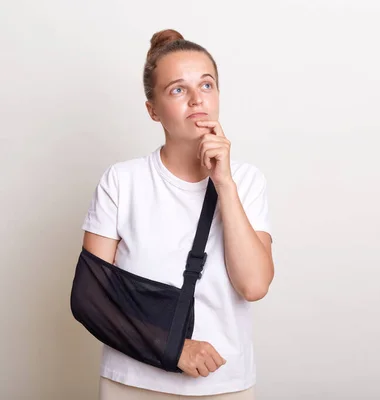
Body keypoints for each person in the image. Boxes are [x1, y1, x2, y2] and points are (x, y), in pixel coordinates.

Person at [81, 28, 274, 399]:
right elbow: (92, 297)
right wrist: (175, 349)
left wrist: (225, 184)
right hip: (132, 381)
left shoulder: (246, 181)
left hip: (223, 383)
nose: (196, 100)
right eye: (177, 89)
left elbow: (254, 285)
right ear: (153, 110)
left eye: (206, 85)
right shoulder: (123, 181)